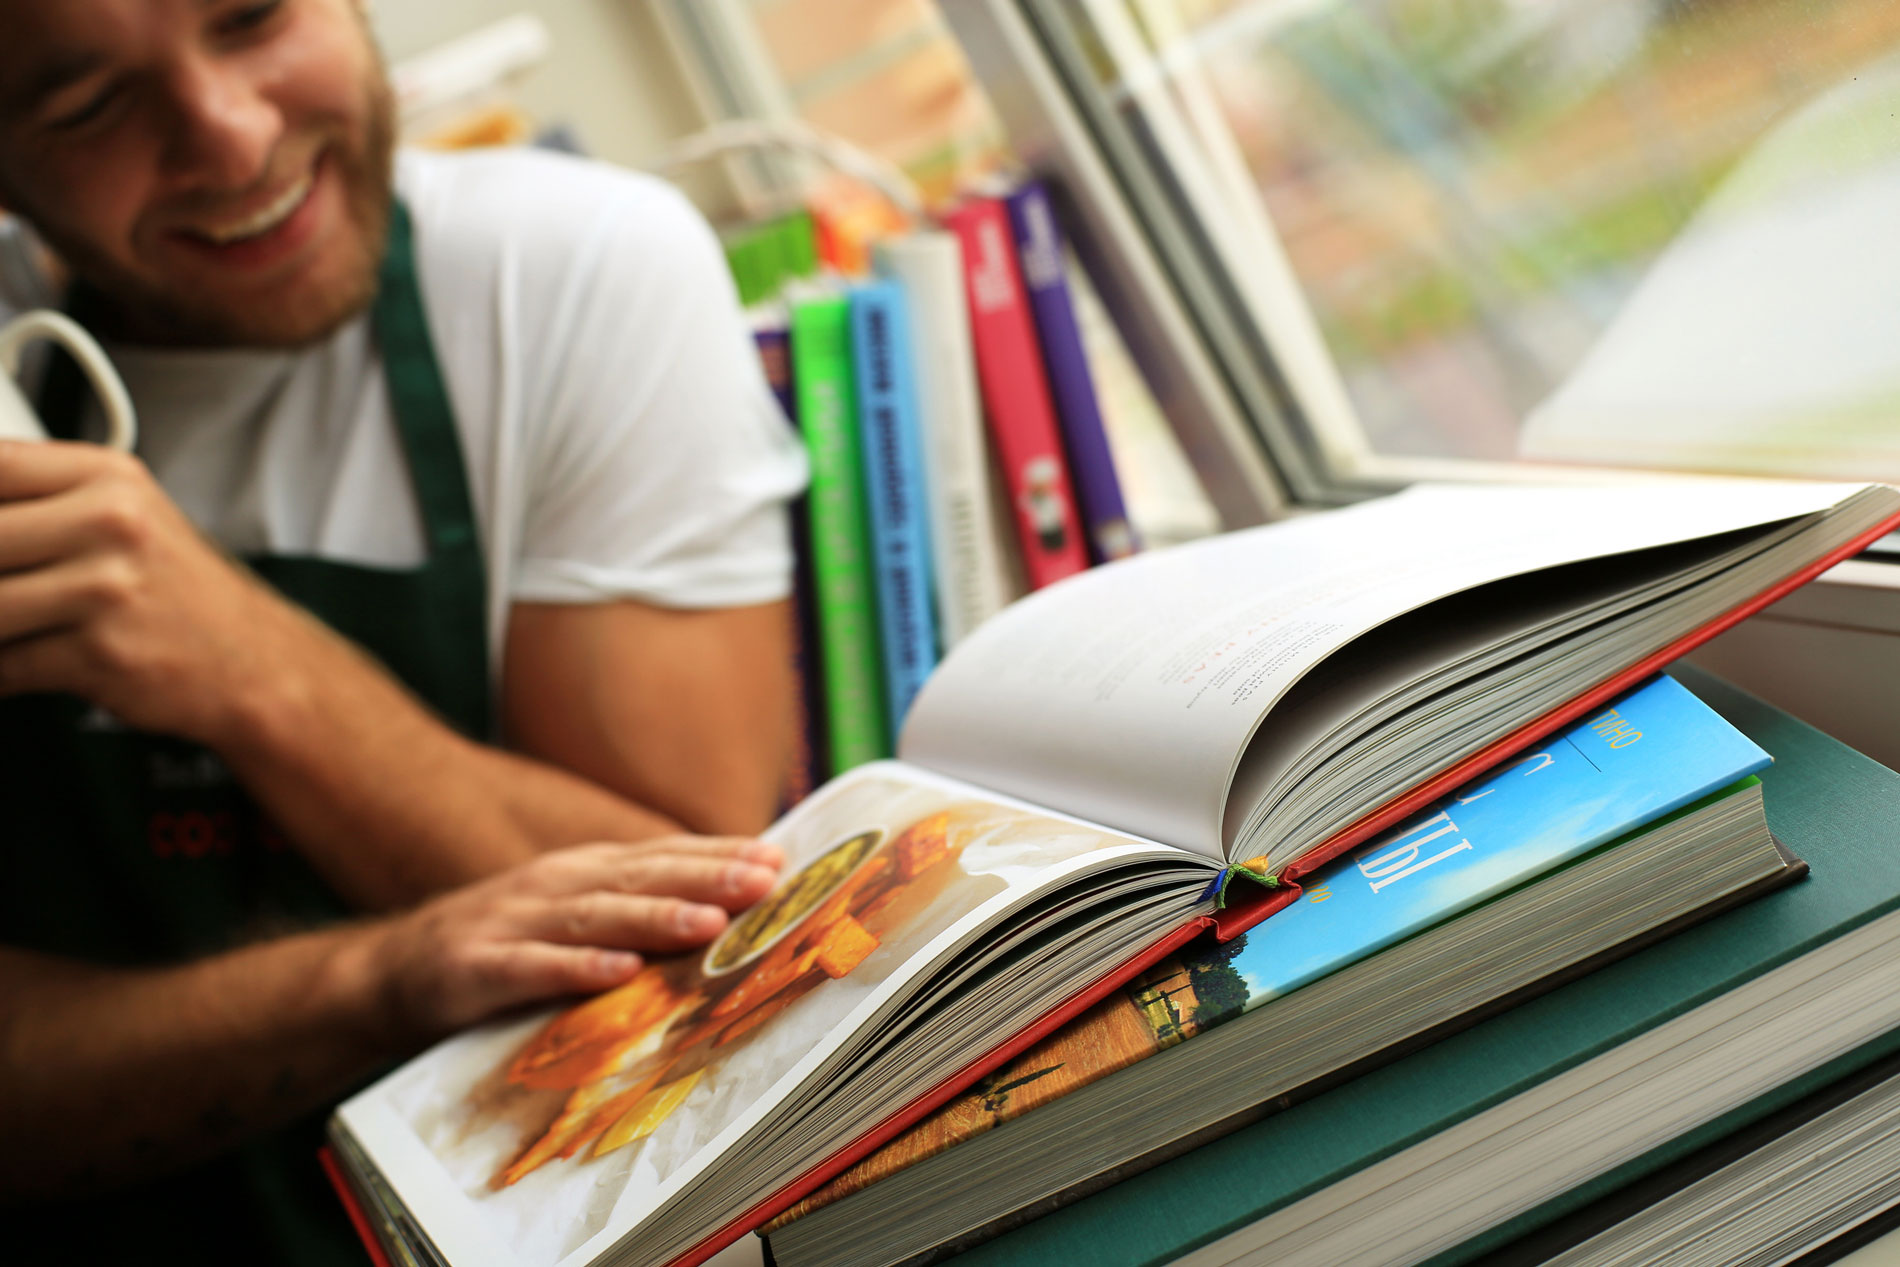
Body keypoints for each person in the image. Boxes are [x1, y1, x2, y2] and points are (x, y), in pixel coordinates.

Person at [0, 0, 808, 1259]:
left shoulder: (567, 271)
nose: (229, 138)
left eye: (254, 16)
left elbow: (716, 946)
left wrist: (251, 666)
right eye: (88, 105)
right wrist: (371, 978)